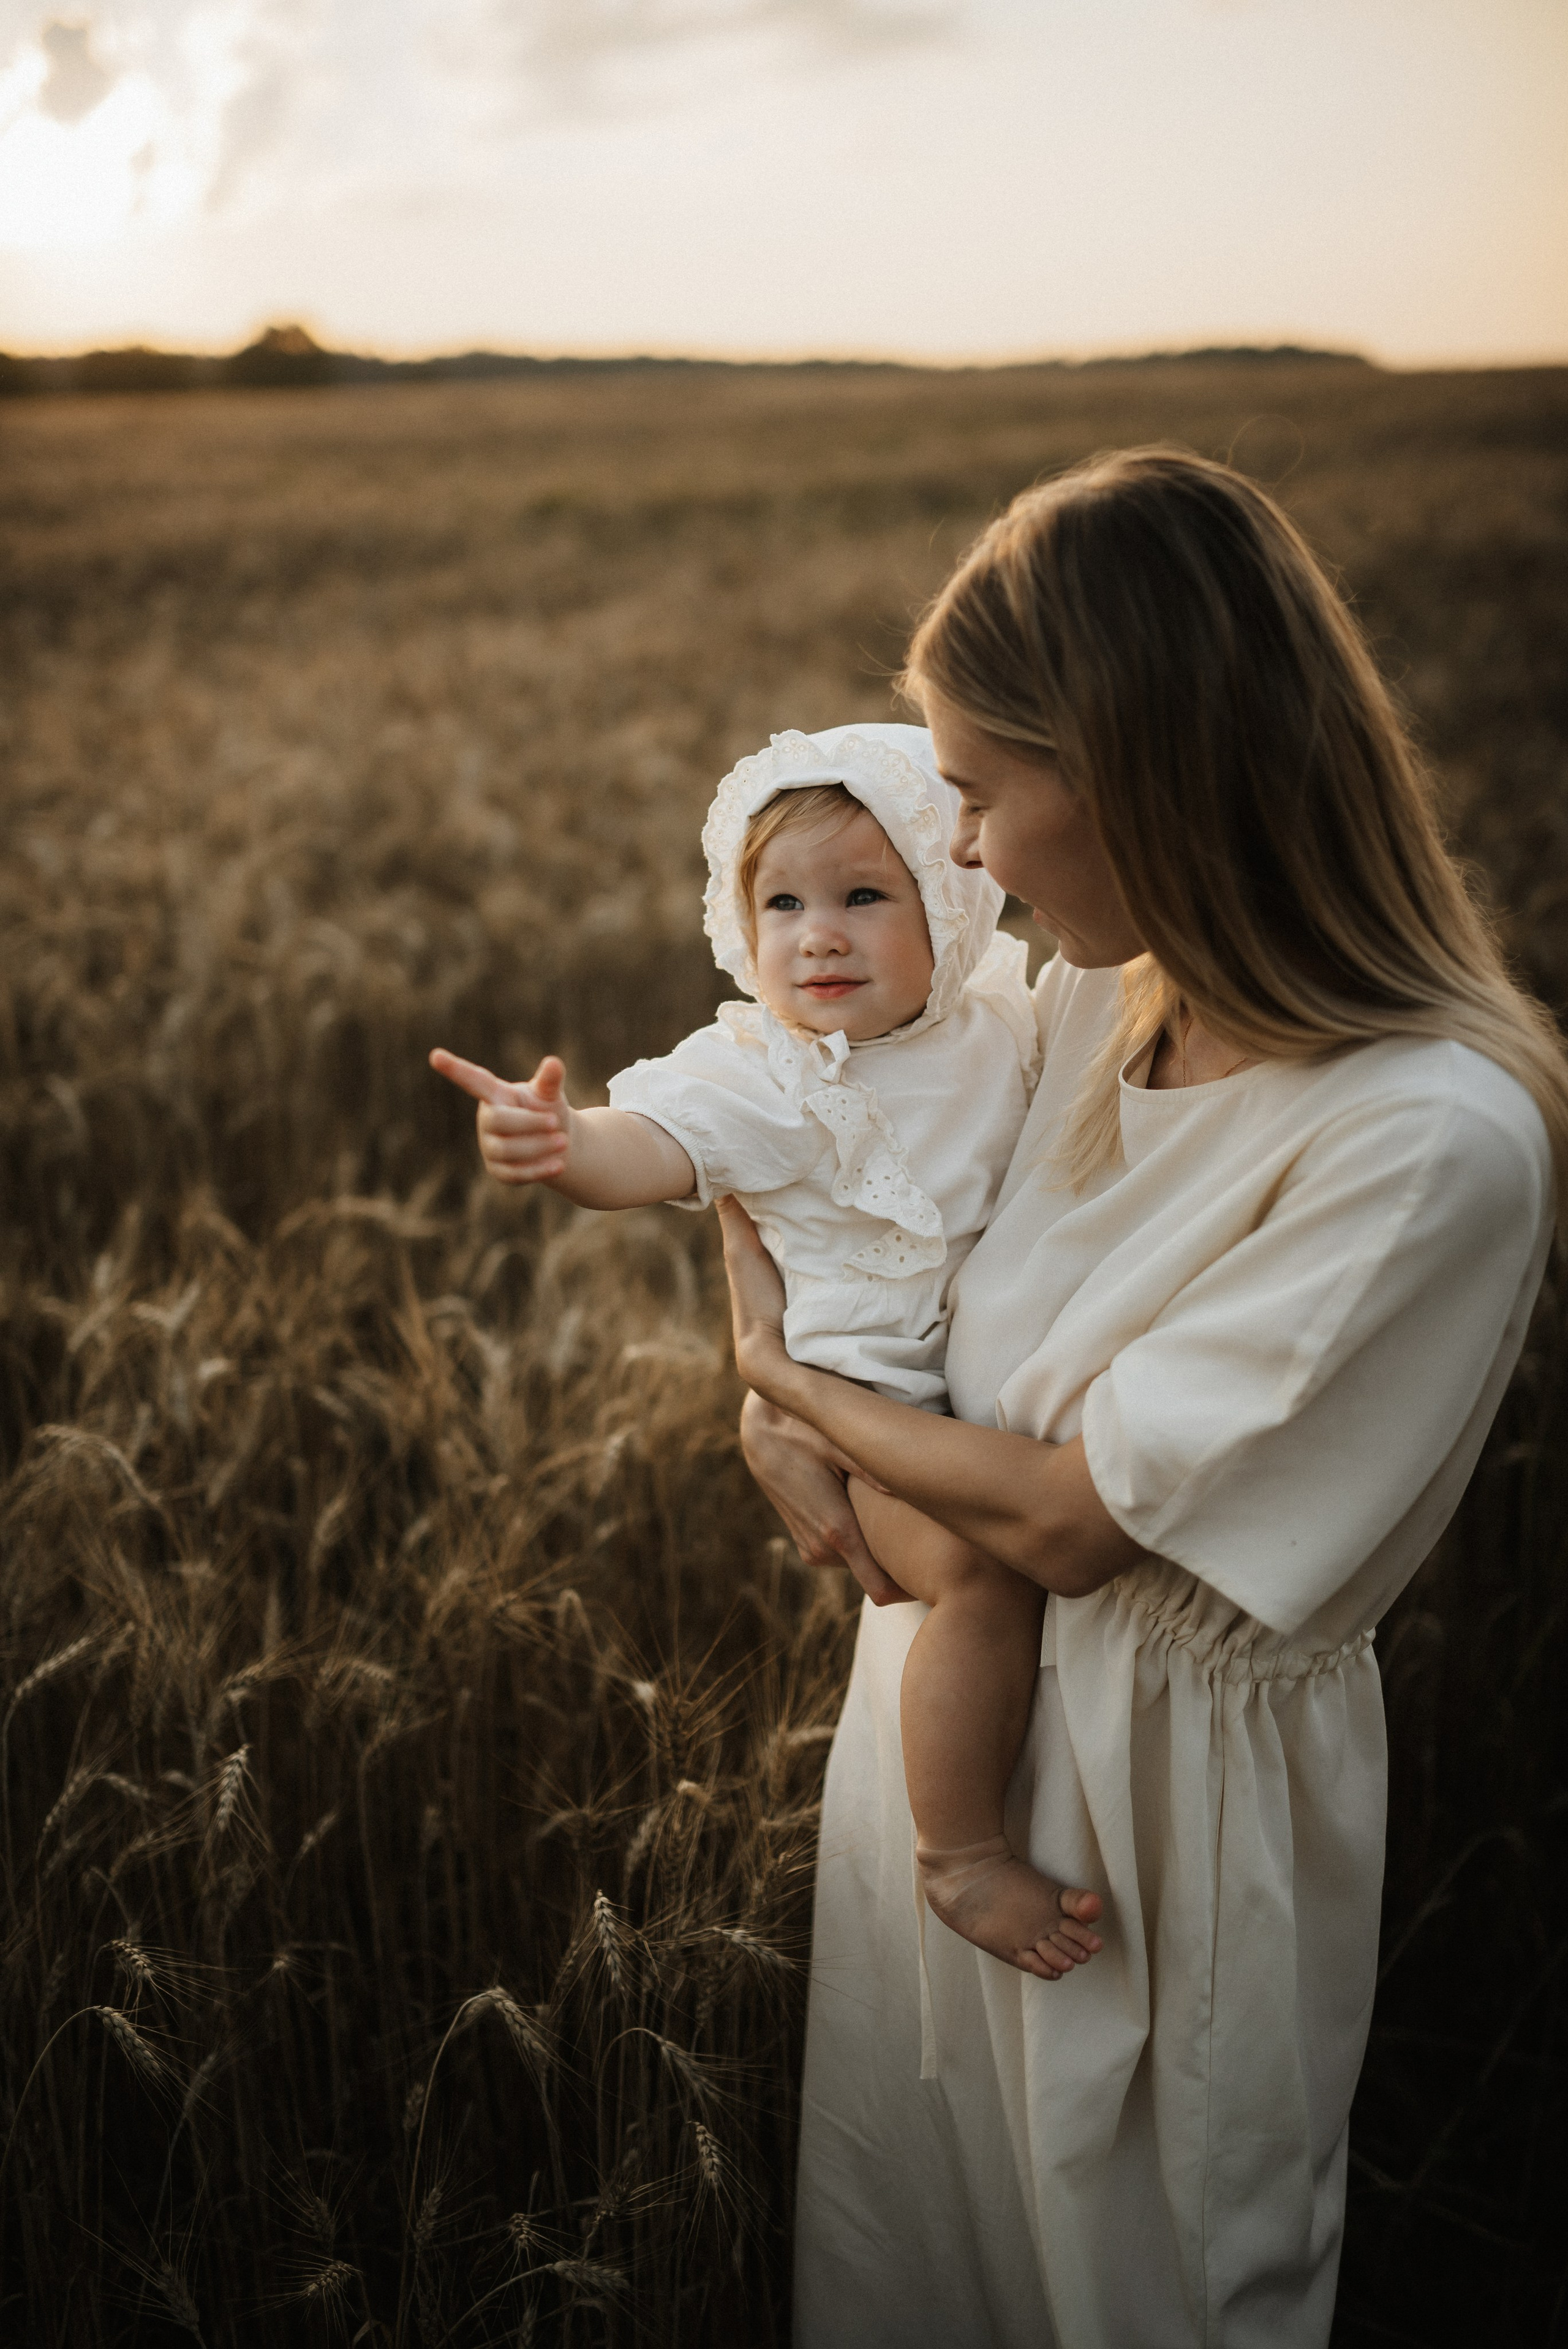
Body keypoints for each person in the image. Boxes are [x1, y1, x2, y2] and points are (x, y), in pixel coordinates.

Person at [720, 450, 1568, 2348]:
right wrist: (775, 1378)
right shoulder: (1101, 1002)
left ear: (1139, 768)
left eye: (981, 788)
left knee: (1146, 2292)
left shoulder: (1428, 1138)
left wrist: (785, 1383)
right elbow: (817, 1149)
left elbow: (1069, 1521)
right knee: (910, 2254)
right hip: (947, 1755)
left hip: (1152, 1839)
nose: (963, 850)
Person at [429, 723, 1106, 1979]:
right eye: (780, 903)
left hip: (984, 1403)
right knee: (973, 1578)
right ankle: (957, 1853)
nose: (818, 935)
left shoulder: (1002, 1008)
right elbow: (652, 1143)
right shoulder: (768, 1072)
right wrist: (561, 1144)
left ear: (951, 902)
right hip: (866, 1419)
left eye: (862, 895)